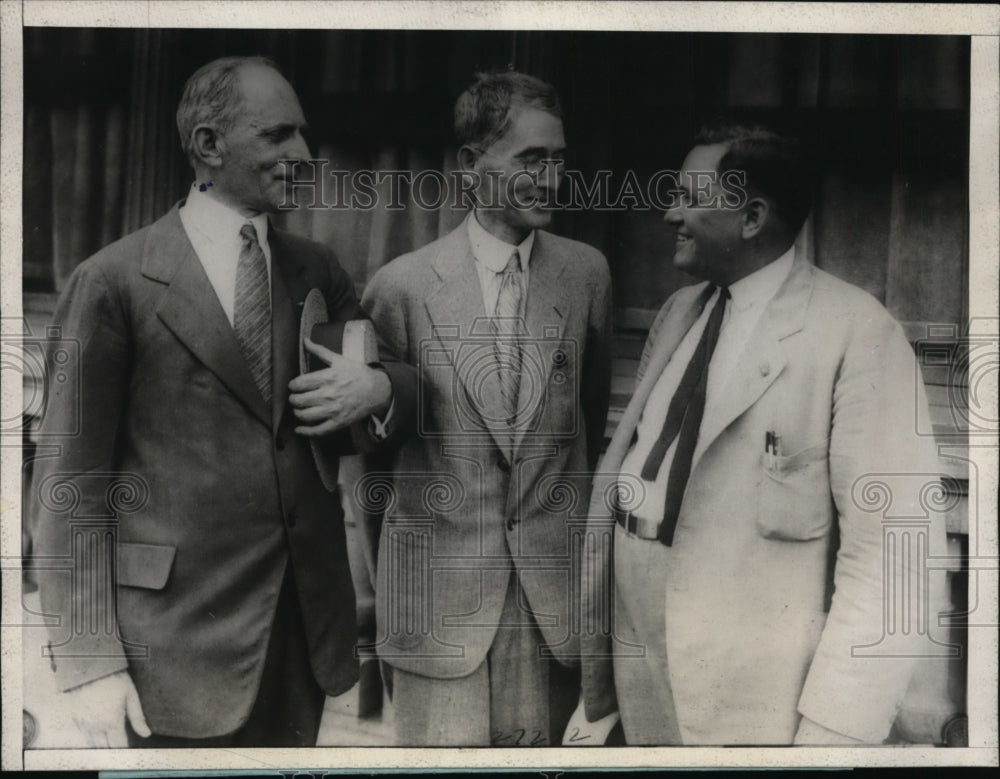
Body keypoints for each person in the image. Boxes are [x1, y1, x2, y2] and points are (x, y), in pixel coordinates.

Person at [31, 56, 416, 748]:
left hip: (299, 643)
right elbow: (68, 486)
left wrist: (380, 387)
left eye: (303, 132)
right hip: (168, 650)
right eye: (277, 136)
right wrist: (90, 663)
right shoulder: (114, 282)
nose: (303, 153)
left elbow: (396, 390)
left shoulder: (316, 270)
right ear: (209, 146)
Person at [576, 122, 946, 745]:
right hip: (639, 664)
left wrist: (835, 730)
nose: (670, 213)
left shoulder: (854, 331)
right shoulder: (678, 313)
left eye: (691, 197)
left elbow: (895, 553)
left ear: (751, 217)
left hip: (753, 692)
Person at [360, 70, 612, 746]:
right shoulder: (402, 287)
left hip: (550, 612)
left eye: (560, 159)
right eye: (533, 159)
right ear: (472, 165)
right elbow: (372, 471)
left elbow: (585, 427)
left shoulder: (586, 275)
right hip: (436, 617)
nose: (553, 177)